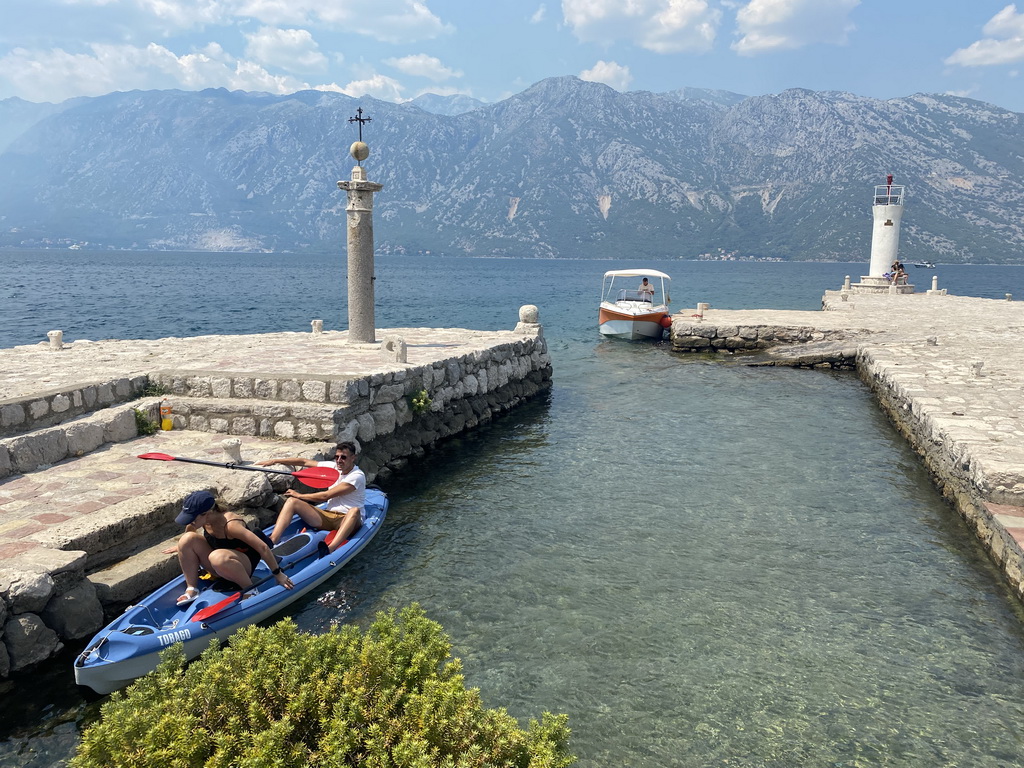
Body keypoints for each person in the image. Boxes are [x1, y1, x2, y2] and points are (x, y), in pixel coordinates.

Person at [173, 490, 293, 606]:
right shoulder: (202, 519)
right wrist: (184, 546)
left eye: (192, 518)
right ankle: (192, 589)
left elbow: (263, 547)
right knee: (186, 539)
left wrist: (278, 574)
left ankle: (250, 589)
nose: (190, 521)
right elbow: (190, 529)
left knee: (217, 557)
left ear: (207, 513)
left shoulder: (231, 525)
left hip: (242, 566)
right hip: (218, 565)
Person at [255, 441, 366, 556]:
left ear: (353, 458)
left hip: (348, 520)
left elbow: (326, 496)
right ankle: (272, 540)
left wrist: (300, 496)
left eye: (343, 457)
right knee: (292, 502)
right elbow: (304, 461)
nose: (339, 460)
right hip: (329, 515)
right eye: (336, 457)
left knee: (354, 511)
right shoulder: (333, 467)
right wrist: (274, 461)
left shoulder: (357, 476)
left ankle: (331, 548)